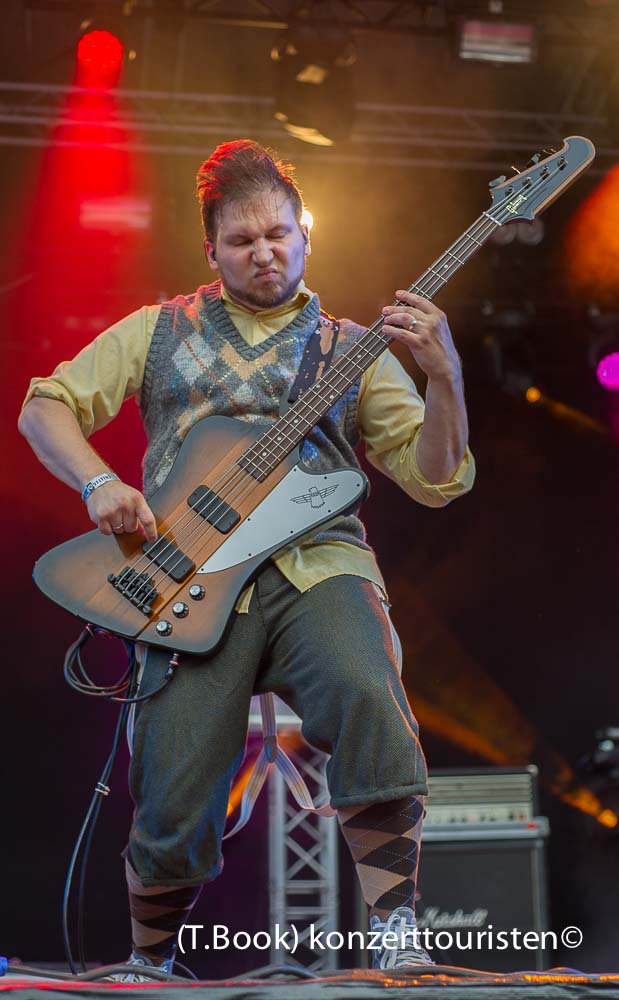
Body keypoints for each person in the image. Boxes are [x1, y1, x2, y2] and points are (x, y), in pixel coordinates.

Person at [19, 138, 475, 974]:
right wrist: (97, 482)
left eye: (277, 234)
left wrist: (442, 377)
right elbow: (45, 404)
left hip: (316, 564)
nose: (263, 252)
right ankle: (152, 962)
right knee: (174, 778)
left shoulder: (352, 348)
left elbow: (435, 478)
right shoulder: (158, 331)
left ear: (305, 235)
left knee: (364, 689)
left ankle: (396, 932)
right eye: (241, 240)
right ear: (211, 251)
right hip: (184, 576)